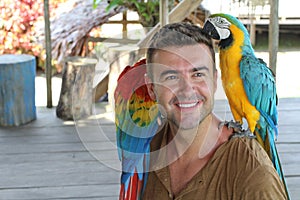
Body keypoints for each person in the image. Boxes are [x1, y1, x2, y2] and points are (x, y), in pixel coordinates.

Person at [142, 22, 287, 199]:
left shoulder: (255, 174)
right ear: (151, 88)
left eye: (198, 74)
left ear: (214, 80)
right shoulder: (143, 150)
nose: (187, 90)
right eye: (171, 77)